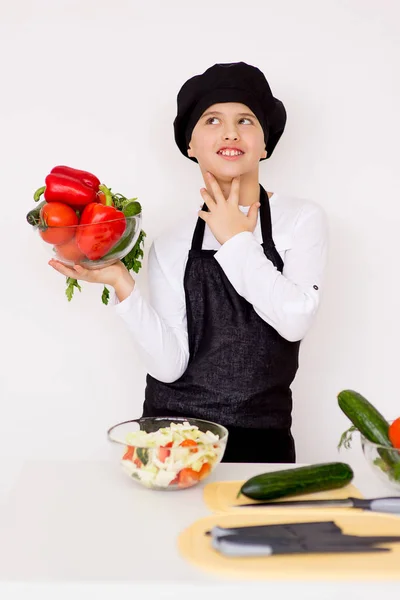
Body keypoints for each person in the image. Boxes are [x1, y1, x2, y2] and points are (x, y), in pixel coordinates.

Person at [49, 62, 328, 463]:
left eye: (245, 120)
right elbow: (169, 365)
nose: (230, 131)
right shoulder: (173, 241)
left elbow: (295, 319)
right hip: (169, 439)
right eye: (212, 119)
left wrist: (235, 239)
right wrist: (122, 285)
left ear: (265, 144)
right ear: (190, 144)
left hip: (261, 441)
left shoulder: (301, 220)